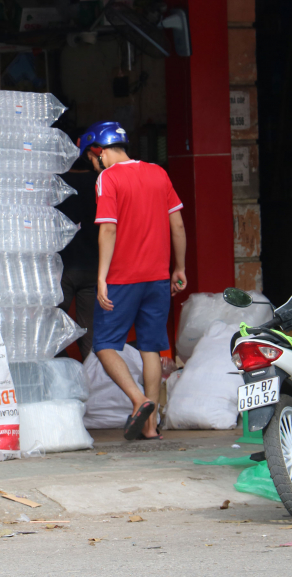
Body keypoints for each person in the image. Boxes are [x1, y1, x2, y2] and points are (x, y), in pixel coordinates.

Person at [78, 121, 187, 441]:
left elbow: (108, 228)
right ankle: (150, 426)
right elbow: (178, 226)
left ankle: (139, 401)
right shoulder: (158, 173)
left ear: (99, 151)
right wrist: (179, 267)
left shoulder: (108, 177)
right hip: (158, 277)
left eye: (91, 158)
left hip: (122, 279)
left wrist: (101, 277)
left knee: (104, 345)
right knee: (151, 347)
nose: (93, 164)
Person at [57, 155, 100, 358]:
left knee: (52, 324)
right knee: (88, 328)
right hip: (93, 265)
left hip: (62, 266)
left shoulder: (58, 183)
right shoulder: (100, 182)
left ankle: (62, 368)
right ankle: (92, 372)